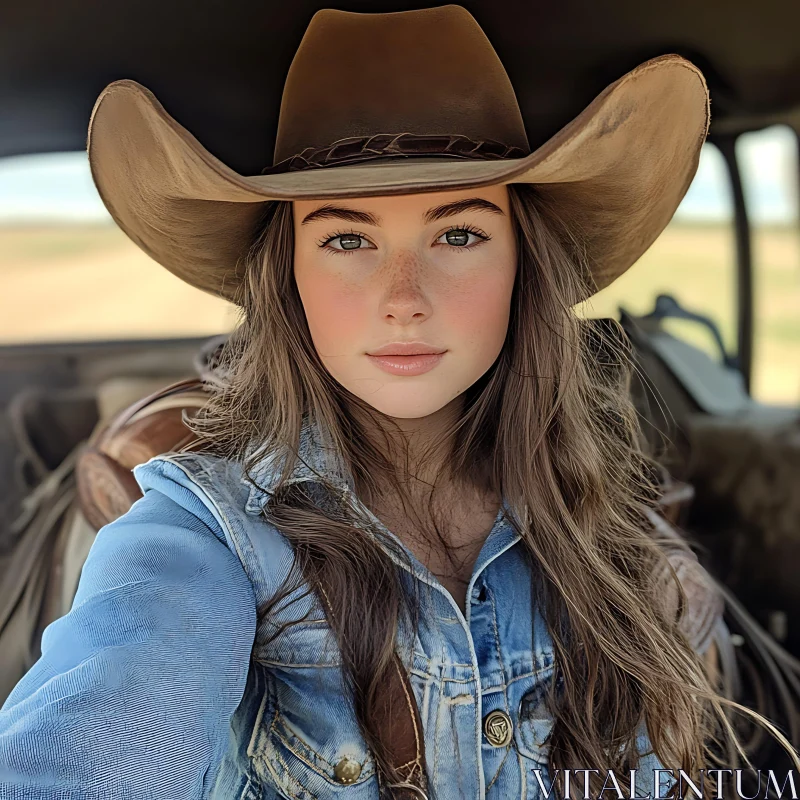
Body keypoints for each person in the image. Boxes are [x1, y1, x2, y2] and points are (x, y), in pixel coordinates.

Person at [1, 6, 793, 800]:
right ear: (289, 278)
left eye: (459, 236)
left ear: (526, 268)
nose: (403, 301)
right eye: (348, 240)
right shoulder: (204, 536)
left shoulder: (625, 551)